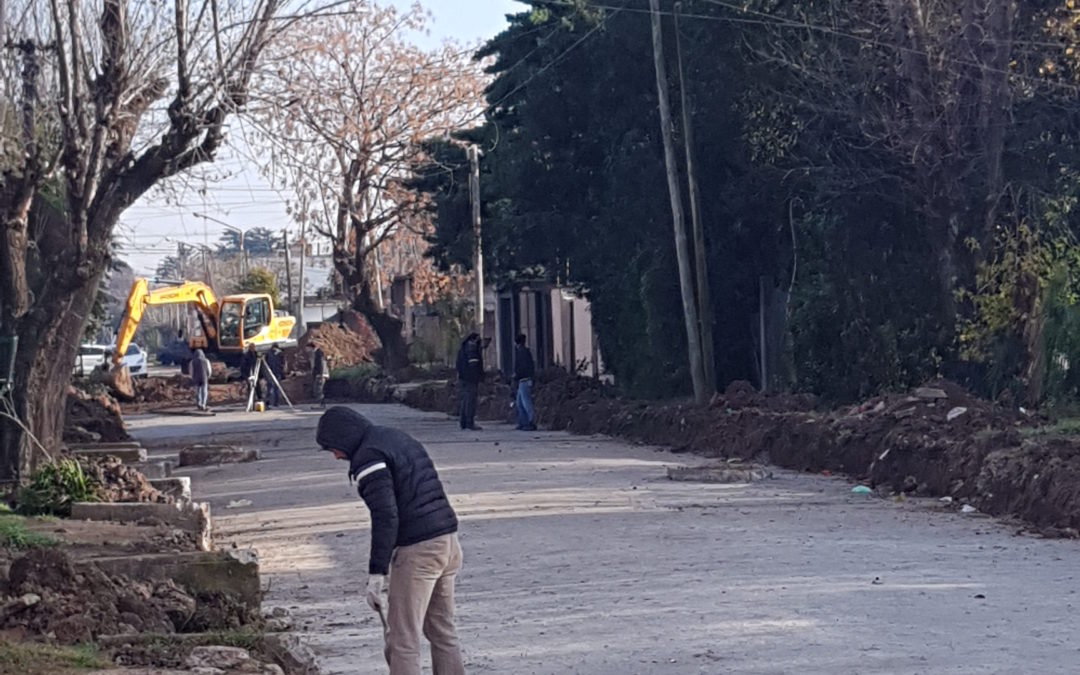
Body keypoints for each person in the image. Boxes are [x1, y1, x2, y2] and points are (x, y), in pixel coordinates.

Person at [316, 407, 464, 675]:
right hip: (448, 541)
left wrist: (376, 573)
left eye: (333, 448)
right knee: (443, 631)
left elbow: (385, 516)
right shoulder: (395, 437)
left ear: (344, 438)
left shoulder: (368, 458)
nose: (336, 456)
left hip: (418, 551)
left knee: (402, 639)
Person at [455, 333, 483, 431]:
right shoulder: (472, 350)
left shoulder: (463, 349)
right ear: (474, 339)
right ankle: (469, 422)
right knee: (470, 401)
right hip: (471, 380)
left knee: (465, 400)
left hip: (464, 379)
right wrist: (478, 378)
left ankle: (463, 422)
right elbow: (474, 366)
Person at [513, 334, 537, 431]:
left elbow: (522, 367)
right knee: (520, 402)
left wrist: (517, 375)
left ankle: (530, 422)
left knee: (526, 402)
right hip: (523, 380)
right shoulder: (524, 351)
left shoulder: (521, 352)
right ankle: (523, 422)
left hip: (524, 380)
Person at [266, 343, 284, 407]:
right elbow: (282, 364)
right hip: (277, 372)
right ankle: (276, 402)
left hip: (270, 371)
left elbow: (266, 363)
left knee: (269, 387)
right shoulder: (280, 353)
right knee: (275, 388)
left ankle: (267, 401)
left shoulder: (268, 353)